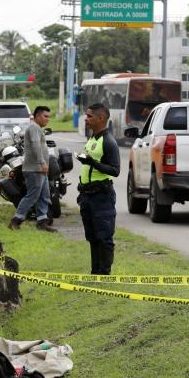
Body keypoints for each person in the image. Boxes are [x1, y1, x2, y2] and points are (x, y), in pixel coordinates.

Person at [77, 103, 120, 275]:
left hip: (102, 196)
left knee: (104, 237)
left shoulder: (108, 141)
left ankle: (104, 274)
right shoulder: (92, 138)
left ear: (101, 118)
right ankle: (95, 272)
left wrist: (92, 163)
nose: (86, 119)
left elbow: (115, 170)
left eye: (90, 116)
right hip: (87, 195)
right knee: (92, 237)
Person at [8, 106, 56, 232]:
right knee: (32, 196)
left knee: (44, 196)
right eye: (45, 116)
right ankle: (16, 220)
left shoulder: (37, 128)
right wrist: (42, 163)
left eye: (48, 117)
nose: (48, 119)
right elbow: (35, 146)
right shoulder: (34, 127)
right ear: (38, 116)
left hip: (40, 170)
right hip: (34, 169)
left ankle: (42, 222)